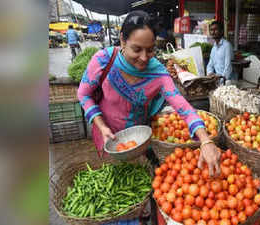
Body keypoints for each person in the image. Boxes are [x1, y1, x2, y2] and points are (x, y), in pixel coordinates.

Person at [77, 11, 221, 176]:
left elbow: (183, 107)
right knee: (112, 177)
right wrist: (102, 126)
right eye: (137, 49)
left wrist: (205, 140)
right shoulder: (103, 60)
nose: (144, 58)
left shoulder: (158, 74)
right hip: (106, 135)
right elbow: (84, 94)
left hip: (139, 140)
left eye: (150, 50)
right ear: (123, 40)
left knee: (138, 180)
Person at [206, 21, 235, 85]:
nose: (213, 32)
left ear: (221, 31)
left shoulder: (227, 46)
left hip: (227, 81)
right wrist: (210, 74)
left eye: (215, 29)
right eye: (211, 30)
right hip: (217, 80)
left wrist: (220, 80)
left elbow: (228, 67)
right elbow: (210, 65)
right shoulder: (214, 48)